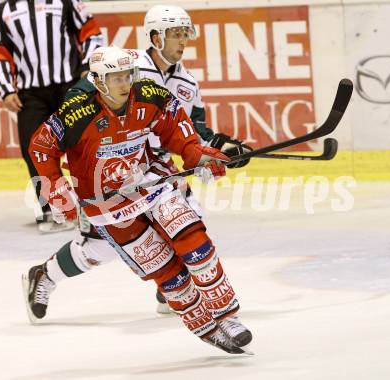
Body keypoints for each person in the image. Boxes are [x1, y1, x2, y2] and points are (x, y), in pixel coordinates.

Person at [22, 46, 253, 354]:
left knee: (191, 235)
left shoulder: (149, 96)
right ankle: (206, 327)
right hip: (106, 204)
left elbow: (176, 129)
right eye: (115, 78)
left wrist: (196, 154)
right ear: (99, 81)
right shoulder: (77, 111)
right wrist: (57, 189)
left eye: (126, 75)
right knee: (164, 271)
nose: (123, 83)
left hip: (147, 182)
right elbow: (41, 146)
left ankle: (227, 315)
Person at [68, 4, 252, 312]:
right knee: (102, 247)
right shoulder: (126, 64)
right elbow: (78, 101)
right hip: (113, 166)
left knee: (189, 218)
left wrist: (221, 147)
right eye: (176, 34)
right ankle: (45, 276)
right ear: (155, 37)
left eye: (185, 35)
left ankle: (171, 290)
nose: (183, 42)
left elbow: (195, 130)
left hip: (155, 167)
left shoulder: (187, 84)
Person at [0, 0, 103, 232]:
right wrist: (6, 89)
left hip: (70, 86)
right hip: (30, 93)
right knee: (33, 148)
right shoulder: (1, 9)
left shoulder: (66, 1)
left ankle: (93, 206)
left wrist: (88, 67)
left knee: (83, 143)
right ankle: (56, 208)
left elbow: (90, 32)